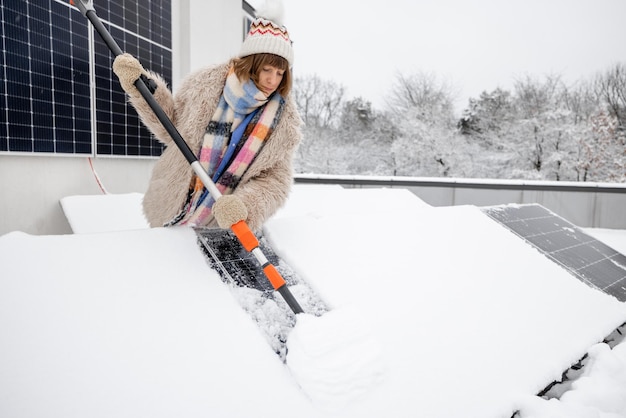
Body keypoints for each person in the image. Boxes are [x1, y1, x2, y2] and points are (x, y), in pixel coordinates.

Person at [111, 13, 301, 232]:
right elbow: (169, 128)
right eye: (266, 69)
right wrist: (142, 89)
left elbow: (275, 181)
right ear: (250, 63)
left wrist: (245, 206)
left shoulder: (284, 124)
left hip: (219, 225)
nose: (272, 80)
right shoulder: (204, 85)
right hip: (171, 210)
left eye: (280, 73)